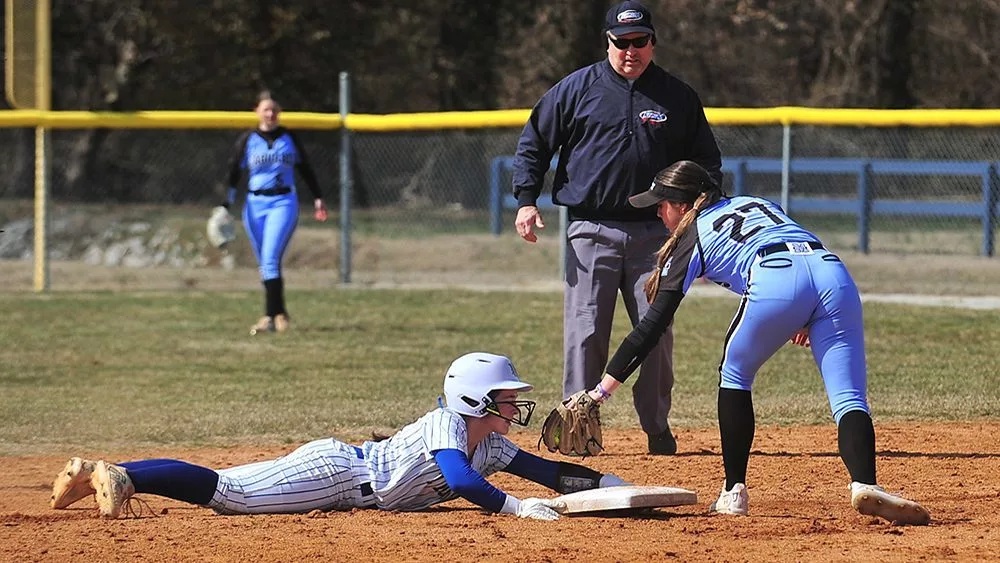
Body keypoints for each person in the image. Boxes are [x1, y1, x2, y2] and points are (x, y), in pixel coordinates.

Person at [578, 159, 930, 524]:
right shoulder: (757, 202)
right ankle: (864, 484)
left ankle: (733, 493)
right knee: (849, 397)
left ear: (682, 205)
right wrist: (804, 310)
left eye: (661, 203)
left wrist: (600, 392)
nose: (657, 212)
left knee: (735, 374)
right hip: (832, 273)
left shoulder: (693, 233)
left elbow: (653, 325)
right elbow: (796, 247)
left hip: (777, 277)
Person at [50, 352, 627, 520]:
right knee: (232, 495)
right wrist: (515, 508)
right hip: (339, 474)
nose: (515, 403)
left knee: (230, 488)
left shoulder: (492, 443)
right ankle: (124, 475)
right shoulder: (447, 426)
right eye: (505, 396)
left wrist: (609, 484)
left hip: (348, 478)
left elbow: (550, 474)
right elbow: (457, 477)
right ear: (476, 399)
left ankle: (104, 470)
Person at [511, 0, 722, 455]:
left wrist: (697, 215)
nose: (631, 50)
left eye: (639, 41)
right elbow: (534, 144)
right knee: (585, 333)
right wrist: (526, 200)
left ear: (652, 42)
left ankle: (657, 426)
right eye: (621, 42)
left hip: (659, 237)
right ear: (607, 42)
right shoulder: (575, 89)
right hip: (590, 229)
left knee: (657, 334)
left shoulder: (676, 96)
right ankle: (577, 424)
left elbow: (707, 162)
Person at [222, 90, 329, 335]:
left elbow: (305, 168)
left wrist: (318, 197)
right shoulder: (248, 140)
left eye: (274, 109)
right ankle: (280, 312)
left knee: (270, 258)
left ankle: (268, 318)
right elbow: (232, 174)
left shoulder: (288, 137)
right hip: (254, 204)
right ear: (256, 111)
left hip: (282, 201)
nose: (270, 113)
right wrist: (225, 204)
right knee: (266, 264)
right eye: (266, 109)